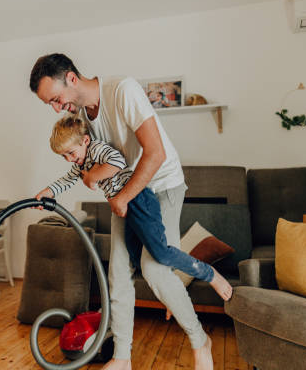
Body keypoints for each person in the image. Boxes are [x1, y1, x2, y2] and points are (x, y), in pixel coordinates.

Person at [30, 53, 232, 370]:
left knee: (154, 268)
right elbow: (85, 167)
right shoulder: (80, 116)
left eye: (56, 99)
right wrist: (52, 189)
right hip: (125, 191)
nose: (57, 108)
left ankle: (199, 340)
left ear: (71, 78)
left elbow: (155, 153)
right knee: (118, 274)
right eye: (50, 105)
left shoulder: (122, 90)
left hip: (159, 185)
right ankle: (122, 357)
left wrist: (118, 194)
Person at [36, 116, 217, 284]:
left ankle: (204, 271)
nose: (69, 159)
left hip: (139, 199)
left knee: (161, 252)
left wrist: (92, 177)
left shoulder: (96, 149)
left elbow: (117, 162)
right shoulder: (81, 161)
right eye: (64, 156)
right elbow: (67, 180)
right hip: (126, 207)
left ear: (85, 141)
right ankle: (167, 279)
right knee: (134, 255)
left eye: (71, 153)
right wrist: (48, 192)